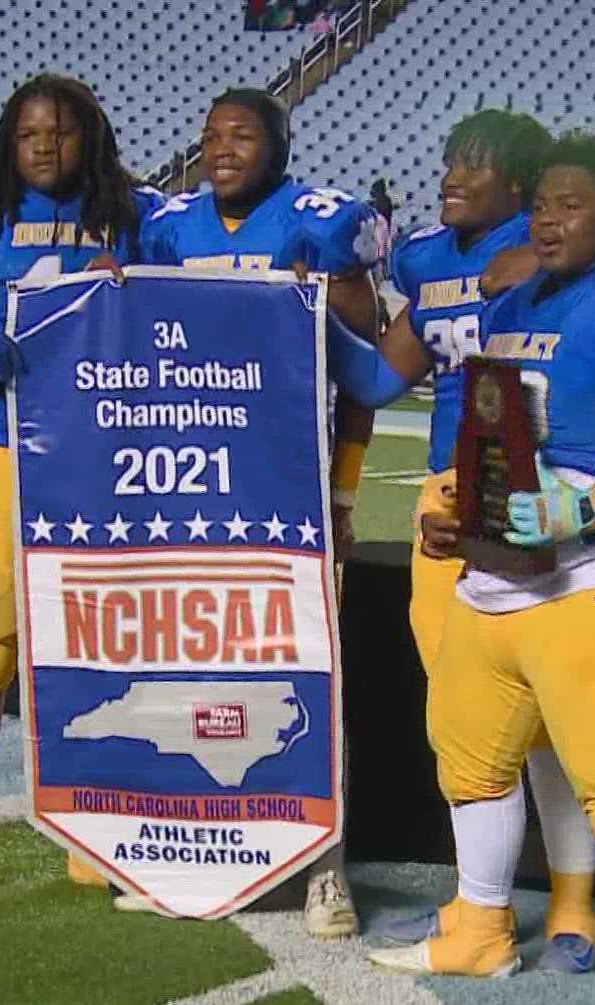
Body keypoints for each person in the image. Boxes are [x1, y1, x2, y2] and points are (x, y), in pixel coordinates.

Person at [345, 133, 595, 1005]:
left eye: (574, 206)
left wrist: (590, 506)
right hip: (495, 577)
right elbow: (492, 439)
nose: (553, 220)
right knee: (471, 762)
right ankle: (480, 931)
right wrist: (453, 512)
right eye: (546, 205)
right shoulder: (516, 298)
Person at [298, 110, 595, 971]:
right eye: (449, 161)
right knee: (474, 723)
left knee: (545, 718)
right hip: (448, 499)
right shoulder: (431, 260)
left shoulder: (551, 242)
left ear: (522, 186)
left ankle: (577, 902)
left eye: (477, 165)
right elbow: (375, 376)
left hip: (535, 490)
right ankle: (485, 908)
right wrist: (310, 310)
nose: (452, 176)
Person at [0, 73, 160, 908]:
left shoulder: (137, 212)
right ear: (8, 141)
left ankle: (90, 826)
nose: (45, 147)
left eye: (63, 132)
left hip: (96, 455)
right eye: (29, 133)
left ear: (94, 137)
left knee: (88, 655)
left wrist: (142, 293)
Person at [133, 86, 382, 936]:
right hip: (195, 486)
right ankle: (210, 849)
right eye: (209, 137)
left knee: (310, 674)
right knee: (195, 666)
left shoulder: (319, 222)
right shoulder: (170, 227)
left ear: (280, 143)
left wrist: (344, 492)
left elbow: (363, 382)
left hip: (290, 485)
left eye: (241, 135)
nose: (221, 149)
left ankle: (325, 868)